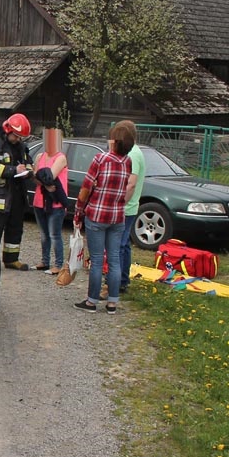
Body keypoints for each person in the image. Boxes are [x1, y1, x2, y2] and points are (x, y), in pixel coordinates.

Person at [72, 120, 135, 314]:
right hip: (117, 217)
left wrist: (78, 211)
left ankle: (91, 302)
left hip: (97, 216)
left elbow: (86, 188)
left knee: (98, 260)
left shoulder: (100, 159)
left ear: (114, 141)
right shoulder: (127, 162)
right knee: (114, 258)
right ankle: (112, 302)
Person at [0, 112, 35, 270]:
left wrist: (28, 171)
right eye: (17, 136)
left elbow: (28, 163)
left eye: (21, 137)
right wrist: (13, 170)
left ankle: (11, 259)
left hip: (17, 196)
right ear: (8, 130)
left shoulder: (21, 147)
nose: (18, 139)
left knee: (15, 229)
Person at [32, 131, 69, 274]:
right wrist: (45, 181)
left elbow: (49, 176)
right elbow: (36, 178)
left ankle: (58, 264)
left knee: (55, 235)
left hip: (55, 204)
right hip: (39, 201)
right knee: (43, 234)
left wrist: (43, 178)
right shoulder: (39, 156)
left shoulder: (61, 158)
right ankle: (44, 261)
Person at [119, 126, 146, 294]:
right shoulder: (135, 152)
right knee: (125, 245)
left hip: (126, 207)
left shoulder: (133, 154)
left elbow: (131, 182)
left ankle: (116, 283)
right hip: (129, 206)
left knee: (119, 246)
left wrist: (120, 203)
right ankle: (123, 279)